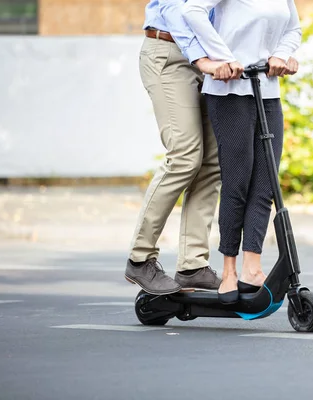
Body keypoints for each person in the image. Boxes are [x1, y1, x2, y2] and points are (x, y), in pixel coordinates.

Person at [183, 0, 302, 303]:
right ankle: (228, 271)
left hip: (267, 89)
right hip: (229, 91)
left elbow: (293, 28)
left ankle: (252, 266)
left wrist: (281, 55)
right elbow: (191, 10)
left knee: (265, 183)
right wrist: (223, 58)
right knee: (237, 182)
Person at [124, 0, 230, 295]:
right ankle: (140, 258)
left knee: (211, 162)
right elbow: (175, 10)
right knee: (185, 155)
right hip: (169, 54)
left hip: (209, 59)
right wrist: (201, 60)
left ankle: (193, 266)